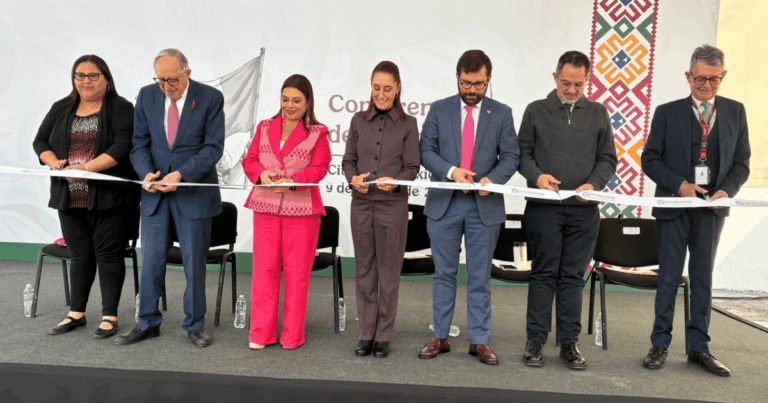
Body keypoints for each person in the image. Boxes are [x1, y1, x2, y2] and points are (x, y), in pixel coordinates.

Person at [641, 44, 750, 377]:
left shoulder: (735, 111)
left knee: (703, 280)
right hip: (674, 209)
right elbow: (650, 159)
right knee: (669, 279)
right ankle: (659, 344)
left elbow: (742, 163)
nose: (707, 86)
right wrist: (680, 185)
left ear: (723, 76)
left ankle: (699, 349)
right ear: (688, 76)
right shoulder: (666, 112)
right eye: (700, 79)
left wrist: (724, 191)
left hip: (711, 212)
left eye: (714, 80)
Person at [117, 48, 225, 348]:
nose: (166, 86)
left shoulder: (210, 98)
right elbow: (138, 143)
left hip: (193, 193)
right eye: (161, 79)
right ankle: (147, 321)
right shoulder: (147, 96)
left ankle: (194, 324)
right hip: (154, 196)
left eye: (173, 80)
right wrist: (146, 173)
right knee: (150, 262)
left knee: (194, 264)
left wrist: (180, 174)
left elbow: (213, 148)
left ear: (187, 73)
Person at [517, 51, 618, 370]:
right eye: (566, 83)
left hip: (584, 211)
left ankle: (570, 343)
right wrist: (537, 176)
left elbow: (608, 159)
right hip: (544, 209)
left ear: (587, 80)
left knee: (574, 277)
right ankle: (535, 340)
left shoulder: (599, 113)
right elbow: (522, 154)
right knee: (543, 273)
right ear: (554, 78)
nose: (572, 89)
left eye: (578, 84)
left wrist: (594, 183)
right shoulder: (535, 111)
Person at [418, 50, 519, 365]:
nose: (472, 89)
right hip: (444, 204)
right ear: (457, 77)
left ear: (489, 78)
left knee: (479, 277)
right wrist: (450, 171)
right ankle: (441, 337)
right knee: (444, 274)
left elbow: (512, 157)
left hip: (483, 207)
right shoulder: (439, 109)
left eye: (478, 83)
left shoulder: (502, 113)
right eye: (466, 83)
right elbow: (426, 150)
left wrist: (492, 179)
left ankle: (480, 341)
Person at [32, 55, 139, 339]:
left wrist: (87, 170)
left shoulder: (121, 108)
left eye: (93, 75)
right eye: (80, 75)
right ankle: (76, 313)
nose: (85, 81)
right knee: (80, 255)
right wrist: (55, 163)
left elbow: (123, 146)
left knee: (108, 255)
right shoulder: (61, 108)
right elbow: (40, 141)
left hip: (110, 199)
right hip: (69, 196)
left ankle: (109, 315)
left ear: (106, 78)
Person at [243, 74, 331, 350]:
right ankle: (261, 333)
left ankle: (292, 336)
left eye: (296, 100)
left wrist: (293, 182)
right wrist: (261, 174)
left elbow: (319, 168)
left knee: (296, 274)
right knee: (264, 270)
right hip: (266, 206)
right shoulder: (265, 126)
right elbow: (251, 160)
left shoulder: (318, 132)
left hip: (301, 211)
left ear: (308, 103)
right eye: (285, 99)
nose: (289, 105)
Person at [342, 61, 420, 358]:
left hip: (393, 206)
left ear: (398, 88)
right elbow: (348, 160)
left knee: (388, 272)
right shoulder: (358, 120)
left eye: (388, 88)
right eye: (376, 88)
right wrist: (353, 178)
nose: (381, 94)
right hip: (361, 204)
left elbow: (413, 166)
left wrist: (397, 182)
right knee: (364, 270)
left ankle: (383, 334)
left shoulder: (408, 123)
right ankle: (366, 332)